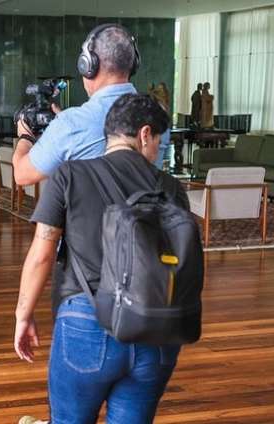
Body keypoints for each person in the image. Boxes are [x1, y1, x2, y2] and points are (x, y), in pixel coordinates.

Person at [14, 94, 189, 424]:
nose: (157, 152)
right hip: (156, 330)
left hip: (86, 321)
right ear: (144, 134)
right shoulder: (171, 187)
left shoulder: (70, 175)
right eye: (159, 142)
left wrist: (24, 315)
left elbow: (42, 253)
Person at [11, 24, 141, 186]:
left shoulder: (72, 124)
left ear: (88, 65)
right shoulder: (154, 117)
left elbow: (22, 175)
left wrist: (25, 136)